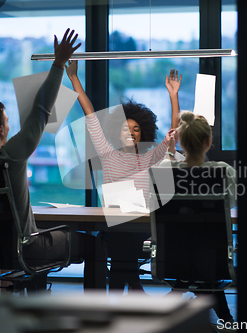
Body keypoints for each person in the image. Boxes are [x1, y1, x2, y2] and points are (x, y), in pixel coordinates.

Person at [0, 30, 106, 290]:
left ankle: (27, 299)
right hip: (23, 249)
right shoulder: (11, 156)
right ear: (2, 130)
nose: (10, 126)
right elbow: (41, 110)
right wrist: (58, 64)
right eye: (7, 122)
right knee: (95, 244)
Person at [65, 60, 180, 292]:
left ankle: (126, 287)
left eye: (136, 129)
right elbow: (90, 115)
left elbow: (172, 134)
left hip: (140, 229)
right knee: (119, 236)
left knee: (122, 241)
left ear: (143, 132)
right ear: (117, 132)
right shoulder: (107, 154)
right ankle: (133, 285)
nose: (130, 132)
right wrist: (74, 78)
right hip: (116, 227)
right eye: (125, 128)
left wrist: (173, 96)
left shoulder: (150, 156)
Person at [159, 110, 247, 322]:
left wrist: (170, 152)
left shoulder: (166, 170)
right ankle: (226, 320)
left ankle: (218, 315)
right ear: (208, 142)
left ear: (181, 142)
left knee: (197, 261)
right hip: (213, 260)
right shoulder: (221, 172)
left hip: (173, 258)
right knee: (204, 262)